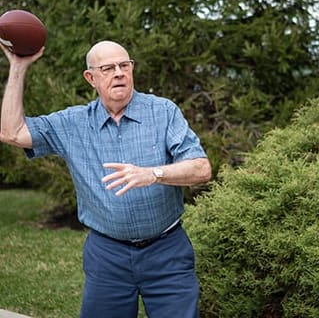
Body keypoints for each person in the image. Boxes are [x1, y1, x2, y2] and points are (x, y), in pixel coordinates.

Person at [0, 40, 212, 318]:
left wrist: (154, 173)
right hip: (107, 256)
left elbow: (201, 168)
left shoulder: (163, 112)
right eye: (108, 68)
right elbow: (11, 132)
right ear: (91, 78)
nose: (119, 73)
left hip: (167, 252)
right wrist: (18, 67)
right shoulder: (72, 123)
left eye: (125, 65)